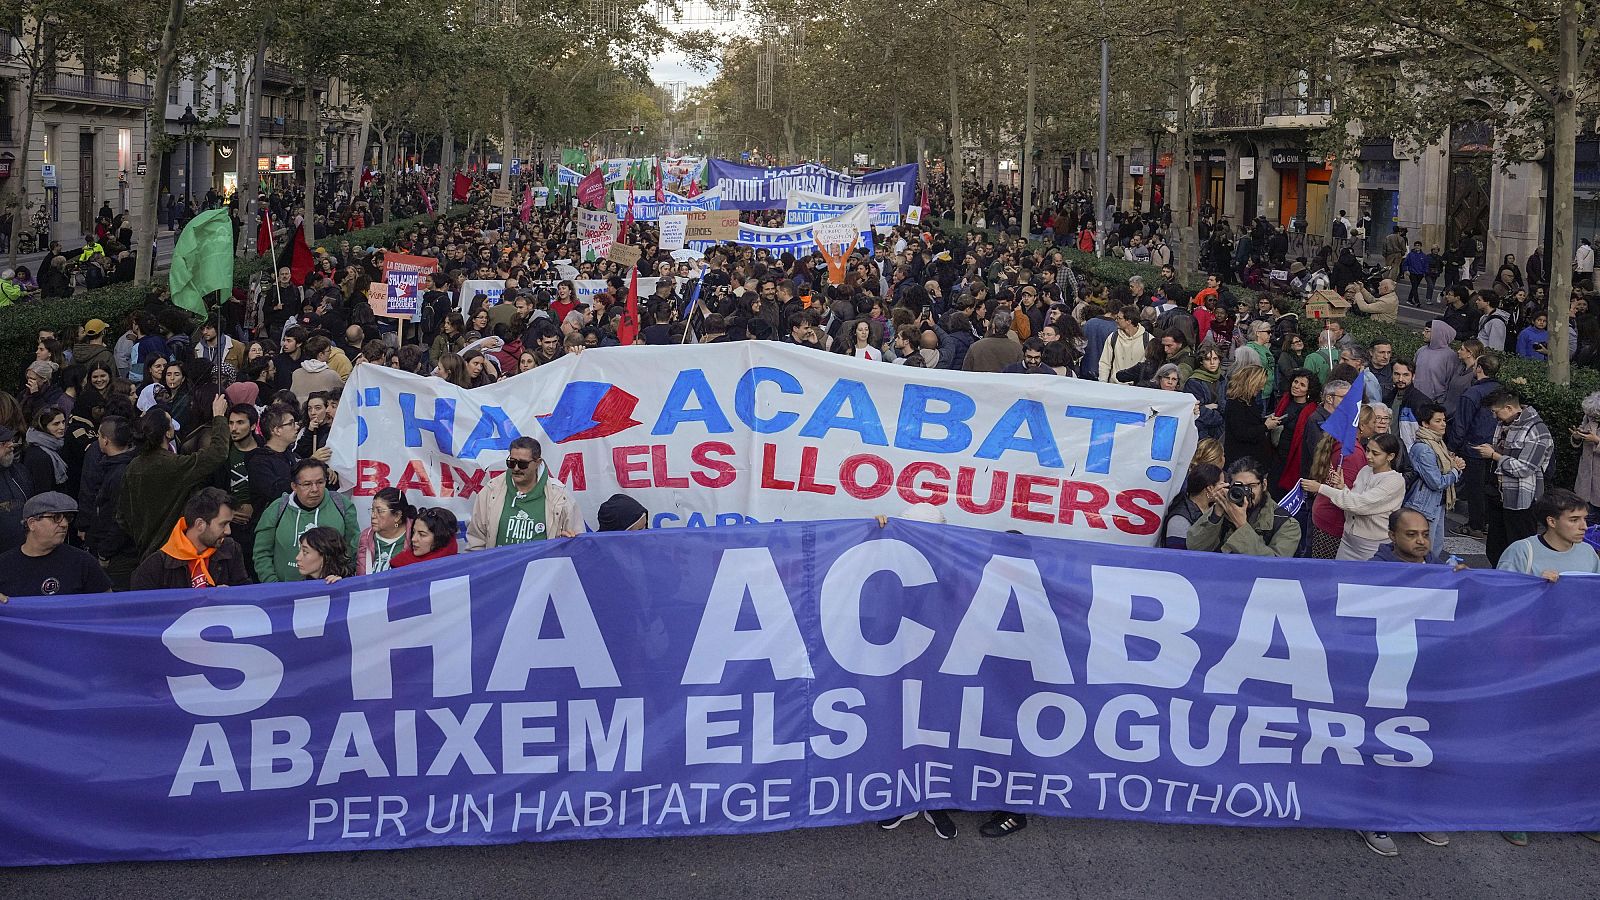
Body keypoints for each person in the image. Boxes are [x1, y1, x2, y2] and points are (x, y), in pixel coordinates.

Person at [117, 397, 231, 558]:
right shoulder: (175, 465)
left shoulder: (133, 467)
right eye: (170, 422)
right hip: (175, 551)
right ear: (168, 432)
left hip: (146, 551)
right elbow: (217, 453)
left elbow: (122, 516)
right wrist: (219, 417)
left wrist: (141, 534)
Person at [1474, 389, 1554, 566]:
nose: (1495, 417)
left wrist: (1494, 455)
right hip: (1498, 495)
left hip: (1521, 500)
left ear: (1509, 408)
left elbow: (1524, 468)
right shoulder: (1505, 424)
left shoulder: (1537, 431)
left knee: (1521, 549)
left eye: (1496, 412)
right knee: (1495, 548)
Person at [253, 458, 359, 583]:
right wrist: (273, 586)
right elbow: (261, 553)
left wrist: (344, 576)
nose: (314, 489)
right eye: (307, 484)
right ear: (294, 486)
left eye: (320, 482)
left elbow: (354, 546)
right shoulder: (277, 509)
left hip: (330, 589)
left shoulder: (341, 504)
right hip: (284, 592)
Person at [466, 436, 579, 550]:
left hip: (541, 567)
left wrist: (567, 543)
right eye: (511, 462)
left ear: (538, 463)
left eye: (522, 464)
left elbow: (578, 544)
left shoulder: (560, 496)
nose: (515, 468)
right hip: (501, 567)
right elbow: (475, 542)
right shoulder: (491, 491)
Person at [129, 487, 249, 590]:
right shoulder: (155, 566)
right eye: (223, 524)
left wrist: (233, 597)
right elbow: (140, 611)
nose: (228, 531)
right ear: (200, 524)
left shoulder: (231, 550)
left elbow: (247, 595)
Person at [0, 493, 111, 600]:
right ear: (32, 523)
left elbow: (108, 604)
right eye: (56, 517)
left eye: (68, 518)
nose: (64, 524)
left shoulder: (83, 562)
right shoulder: (4, 564)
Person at [1186, 457, 1301, 556]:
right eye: (1239, 487)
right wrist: (1216, 515)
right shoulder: (1224, 508)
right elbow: (1194, 548)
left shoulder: (1285, 524)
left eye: (1251, 486)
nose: (1246, 493)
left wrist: (1242, 525)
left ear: (1264, 485)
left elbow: (1274, 567)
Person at [1496, 488, 1599, 582]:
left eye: (1584, 519)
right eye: (1574, 520)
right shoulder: (1521, 552)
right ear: (1552, 522)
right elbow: (1502, 594)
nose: (1584, 526)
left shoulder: (1588, 552)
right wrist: (1537, 585)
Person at [1406, 403, 1466, 556]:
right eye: (1438, 421)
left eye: (1444, 420)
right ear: (1425, 424)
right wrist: (1455, 470)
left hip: (1437, 503)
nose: (1443, 424)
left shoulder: (1438, 443)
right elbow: (1436, 482)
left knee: (1435, 548)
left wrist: (1453, 466)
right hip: (1424, 504)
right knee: (1425, 550)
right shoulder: (1424, 448)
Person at [1163, 463, 1222, 549]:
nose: (1226, 487)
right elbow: (1177, 556)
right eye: (1222, 483)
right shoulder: (1179, 518)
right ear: (1210, 488)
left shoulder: (1215, 509)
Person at [357, 487, 413, 575]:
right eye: (372, 510)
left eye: (379, 511)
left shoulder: (415, 537)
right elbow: (349, 569)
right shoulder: (365, 537)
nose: (373, 515)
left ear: (397, 516)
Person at [391, 507, 460, 568]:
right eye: (413, 532)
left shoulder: (460, 567)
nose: (413, 539)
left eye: (422, 535)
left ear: (441, 538)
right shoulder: (400, 564)